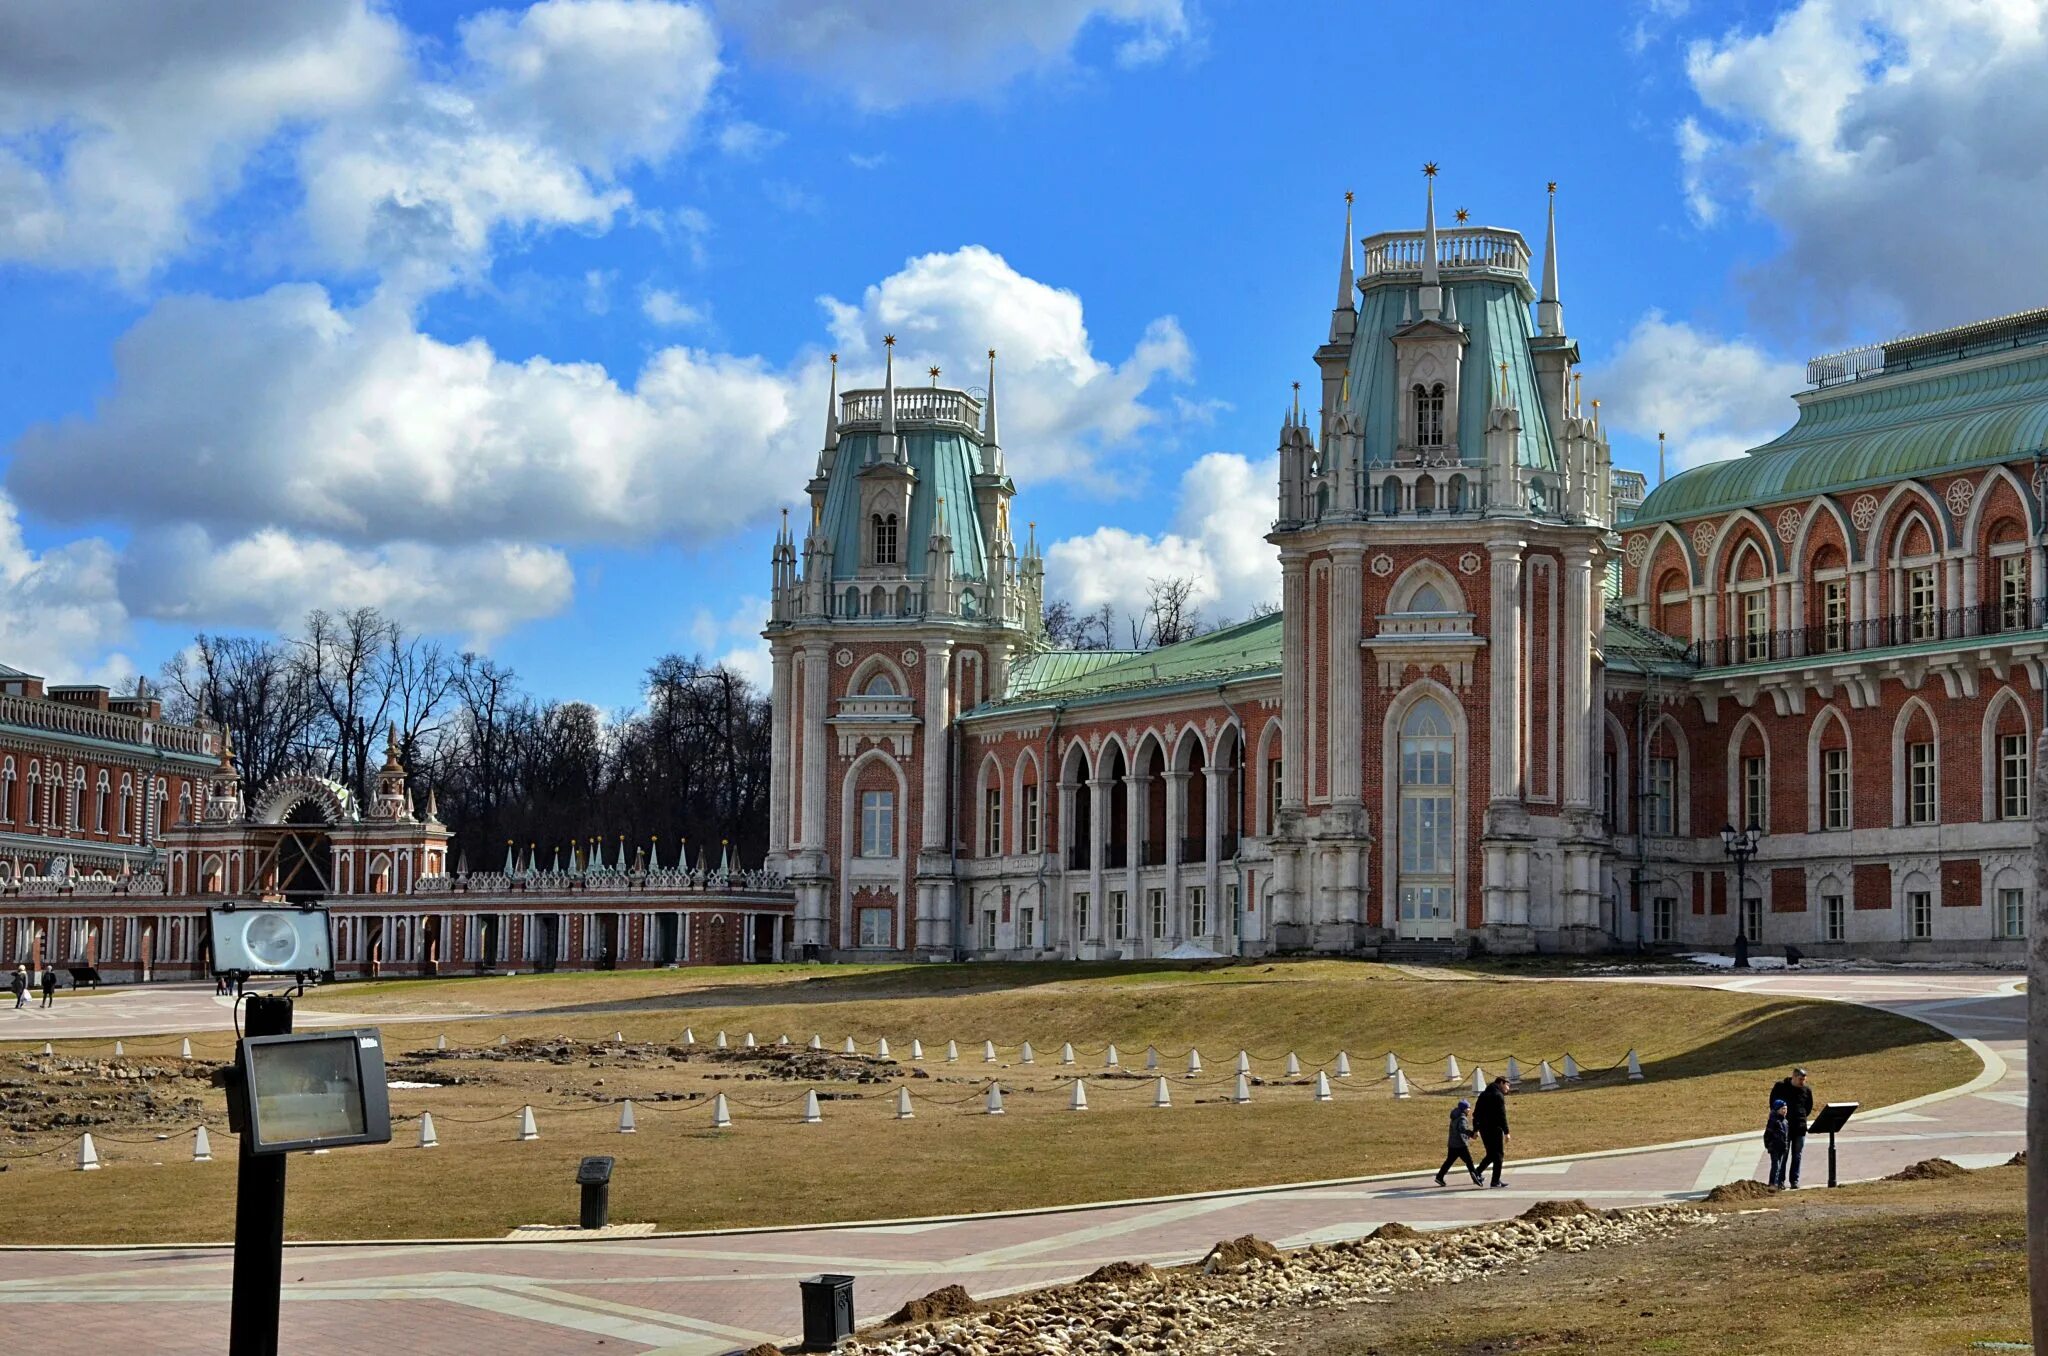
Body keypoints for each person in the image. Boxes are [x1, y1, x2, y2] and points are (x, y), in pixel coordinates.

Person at [1769, 1066, 1815, 1188]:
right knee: (1783, 1153)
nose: (1802, 1082)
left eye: (1804, 1079)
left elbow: (1809, 1107)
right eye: (1800, 1079)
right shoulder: (1780, 1087)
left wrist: (1802, 1117)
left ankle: (1794, 1180)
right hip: (1784, 1127)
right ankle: (1780, 1181)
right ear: (1793, 1077)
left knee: (1797, 1154)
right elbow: (1773, 1104)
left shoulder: (1806, 1090)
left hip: (1800, 1127)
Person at [1474, 1074, 1512, 1187]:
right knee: (1499, 1155)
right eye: (1507, 1085)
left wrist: (1476, 1129)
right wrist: (1507, 1132)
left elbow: (1476, 1114)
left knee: (1491, 1154)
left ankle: (1476, 1172)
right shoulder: (1498, 1095)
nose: (1508, 1088)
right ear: (1501, 1083)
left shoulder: (1483, 1095)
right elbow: (1501, 1115)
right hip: (1495, 1129)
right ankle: (1495, 1181)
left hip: (1484, 1129)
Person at [1436, 1098, 1483, 1187]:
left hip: (1452, 1143)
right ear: (1464, 1109)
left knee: (1449, 1161)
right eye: (1468, 1108)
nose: (1469, 1110)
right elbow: (1462, 1128)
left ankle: (1439, 1176)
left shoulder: (1455, 1116)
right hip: (1460, 1144)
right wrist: (1472, 1134)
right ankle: (1476, 1177)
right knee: (1469, 1161)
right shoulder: (1462, 1118)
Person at [1764, 1098, 1792, 1189]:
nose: (1785, 1111)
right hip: (1775, 1147)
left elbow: (1786, 1136)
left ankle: (1778, 1183)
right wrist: (1769, 1145)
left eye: (1786, 1108)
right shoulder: (1773, 1121)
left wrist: (1786, 1146)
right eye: (1782, 1109)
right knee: (1775, 1166)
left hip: (1782, 1148)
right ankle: (1773, 1183)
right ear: (1777, 1110)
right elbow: (1767, 1134)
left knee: (1780, 1167)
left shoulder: (1785, 1121)